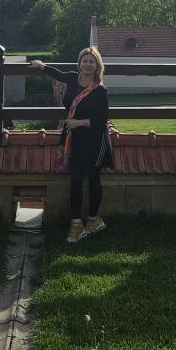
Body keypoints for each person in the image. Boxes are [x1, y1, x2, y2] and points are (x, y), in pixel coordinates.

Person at [30, 47, 113, 242]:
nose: (87, 64)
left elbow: (102, 119)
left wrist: (79, 123)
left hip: (95, 139)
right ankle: (76, 223)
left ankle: (93, 219)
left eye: (91, 61)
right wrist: (41, 66)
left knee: (93, 179)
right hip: (74, 138)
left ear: (97, 65)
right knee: (75, 179)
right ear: (79, 63)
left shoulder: (100, 90)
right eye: (85, 60)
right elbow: (57, 74)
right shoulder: (72, 78)